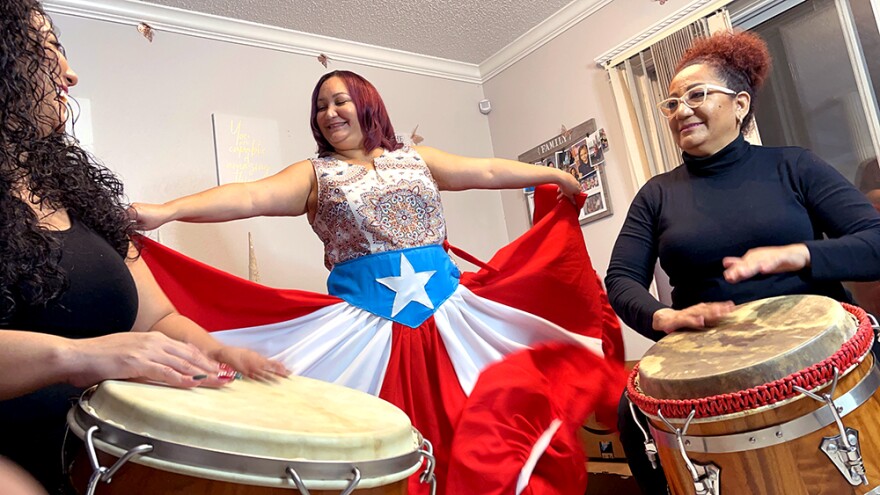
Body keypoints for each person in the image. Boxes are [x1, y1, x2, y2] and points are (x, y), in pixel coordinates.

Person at [131, 69, 626, 495]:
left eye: (339, 100)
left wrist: (551, 174)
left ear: (367, 104)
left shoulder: (417, 158)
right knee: (367, 444)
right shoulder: (314, 174)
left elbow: (487, 168)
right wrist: (165, 211)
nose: (329, 113)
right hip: (365, 330)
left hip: (452, 316)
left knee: (479, 429)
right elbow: (247, 197)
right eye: (320, 107)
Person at [0, 3, 289, 492]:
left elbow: (154, 320)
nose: (70, 73)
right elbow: (92, 353)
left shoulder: (79, 196)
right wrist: (77, 356)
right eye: (46, 54)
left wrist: (215, 352)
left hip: (109, 448)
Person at [604, 31, 880, 494]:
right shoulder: (657, 194)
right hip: (703, 354)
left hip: (817, 346)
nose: (681, 110)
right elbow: (622, 278)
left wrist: (798, 254)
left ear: (739, 105)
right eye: (671, 103)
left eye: (696, 94)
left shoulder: (794, 166)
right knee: (629, 419)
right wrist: (664, 316)